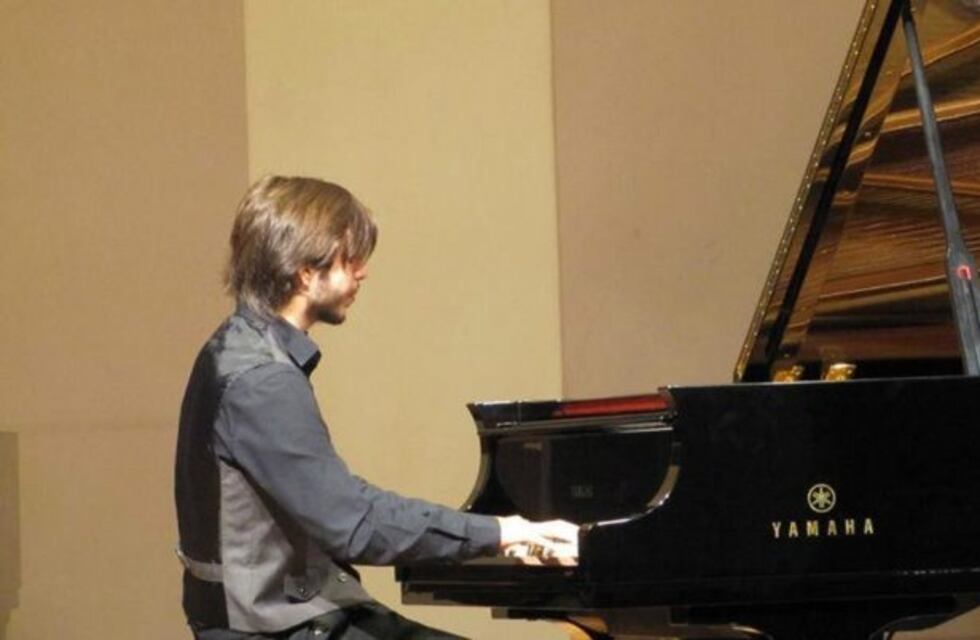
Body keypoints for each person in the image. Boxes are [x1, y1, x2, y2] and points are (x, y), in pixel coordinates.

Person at [174, 175, 578, 640]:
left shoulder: (235, 348)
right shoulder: (264, 380)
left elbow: (335, 500)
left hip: (278, 614)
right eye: (351, 258)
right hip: (277, 627)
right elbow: (352, 524)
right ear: (306, 271)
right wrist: (504, 533)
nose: (363, 272)